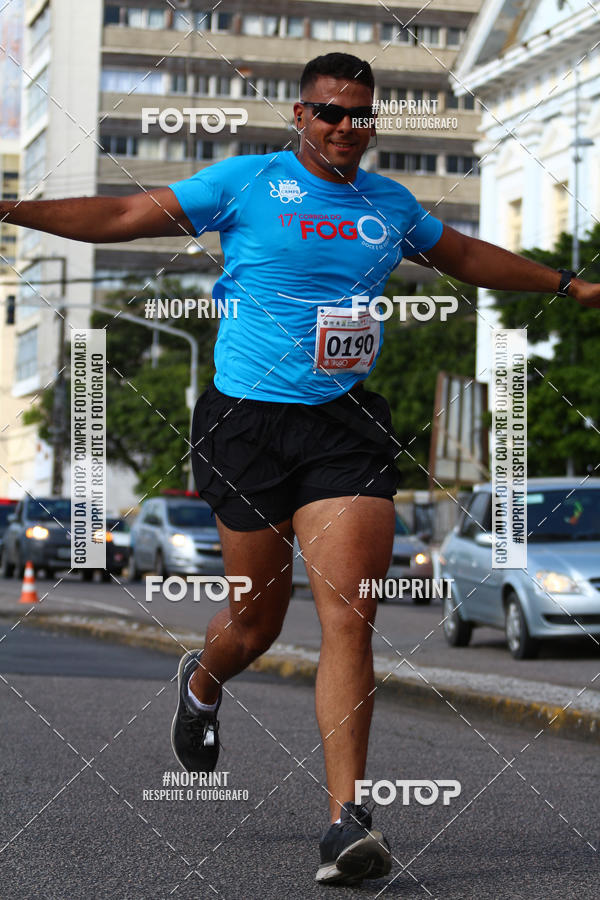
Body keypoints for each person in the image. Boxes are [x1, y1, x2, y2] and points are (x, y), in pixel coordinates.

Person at [4, 51, 600, 886]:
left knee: (352, 614)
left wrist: (565, 283)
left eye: (361, 116)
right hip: (245, 422)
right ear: (300, 114)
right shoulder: (244, 183)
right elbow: (117, 216)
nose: (346, 129)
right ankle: (203, 680)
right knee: (256, 623)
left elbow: (464, 254)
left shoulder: (389, 205)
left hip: (344, 427)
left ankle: (347, 821)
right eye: (330, 113)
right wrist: (12, 208)